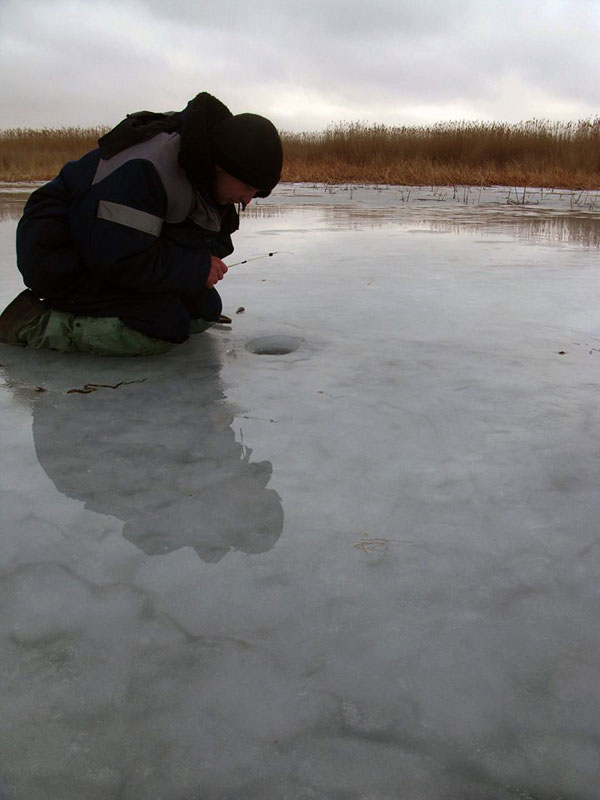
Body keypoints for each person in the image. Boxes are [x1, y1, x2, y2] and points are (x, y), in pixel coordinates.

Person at [0, 92, 283, 356]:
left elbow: (197, 240)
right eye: (247, 188)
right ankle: (35, 324)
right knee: (162, 326)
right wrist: (195, 267)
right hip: (59, 257)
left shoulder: (206, 174)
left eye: (257, 193)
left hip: (109, 248)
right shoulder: (149, 169)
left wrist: (200, 265)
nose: (247, 200)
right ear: (221, 167)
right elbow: (114, 257)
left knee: (203, 311)